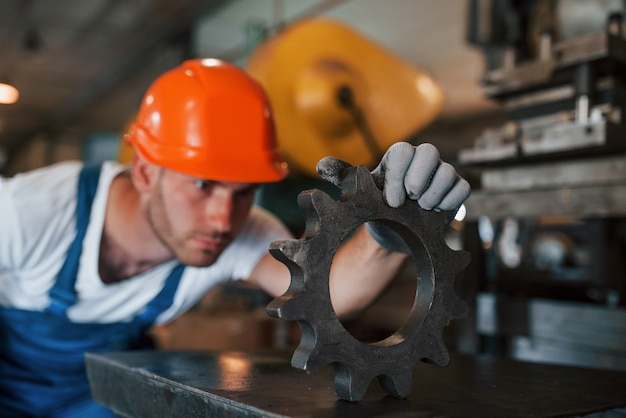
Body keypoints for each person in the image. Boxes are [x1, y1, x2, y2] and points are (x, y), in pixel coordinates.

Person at [0, 58, 470, 417]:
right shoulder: (26, 214)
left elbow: (332, 293)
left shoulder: (238, 233)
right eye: (203, 185)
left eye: (244, 192)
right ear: (145, 171)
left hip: (100, 399)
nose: (224, 219)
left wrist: (387, 232)